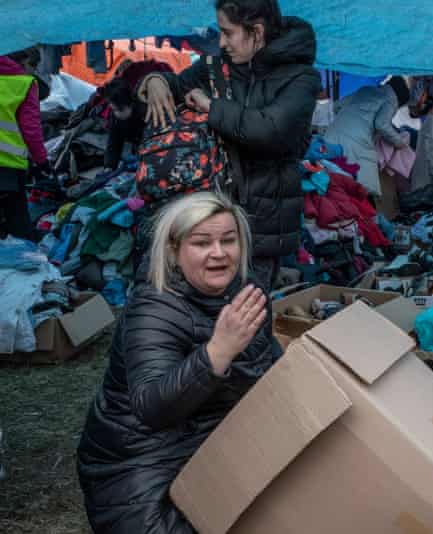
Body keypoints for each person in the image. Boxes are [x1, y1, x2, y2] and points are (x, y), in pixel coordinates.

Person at [77, 192, 282, 534]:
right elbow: (152, 408)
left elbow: (268, 363)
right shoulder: (153, 309)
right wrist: (216, 353)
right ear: (174, 250)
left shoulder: (247, 291)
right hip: (139, 459)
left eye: (228, 240)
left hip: (214, 439)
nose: (218, 253)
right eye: (202, 243)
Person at [139, 0, 321, 291]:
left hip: (260, 227)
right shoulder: (215, 68)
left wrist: (211, 107)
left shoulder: (301, 79)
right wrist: (155, 80)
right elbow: (176, 86)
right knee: (200, 316)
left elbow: (269, 130)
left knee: (248, 318)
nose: (221, 42)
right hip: (208, 219)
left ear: (257, 32)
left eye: (228, 32)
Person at [322, 76, 410, 195]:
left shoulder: (366, 89)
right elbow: (381, 124)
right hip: (355, 141)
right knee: (363, 187)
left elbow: (337, 106)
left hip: (332, 134)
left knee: (328, 178)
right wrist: (399, 142)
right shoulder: (391, 99)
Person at [0, 52, 50, 241]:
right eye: (33, 66)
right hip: (9, 168)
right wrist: (42, 161)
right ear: (25, 62)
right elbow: (31, 130)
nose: (34, 72)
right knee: (18, 227)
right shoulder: (25, 83)